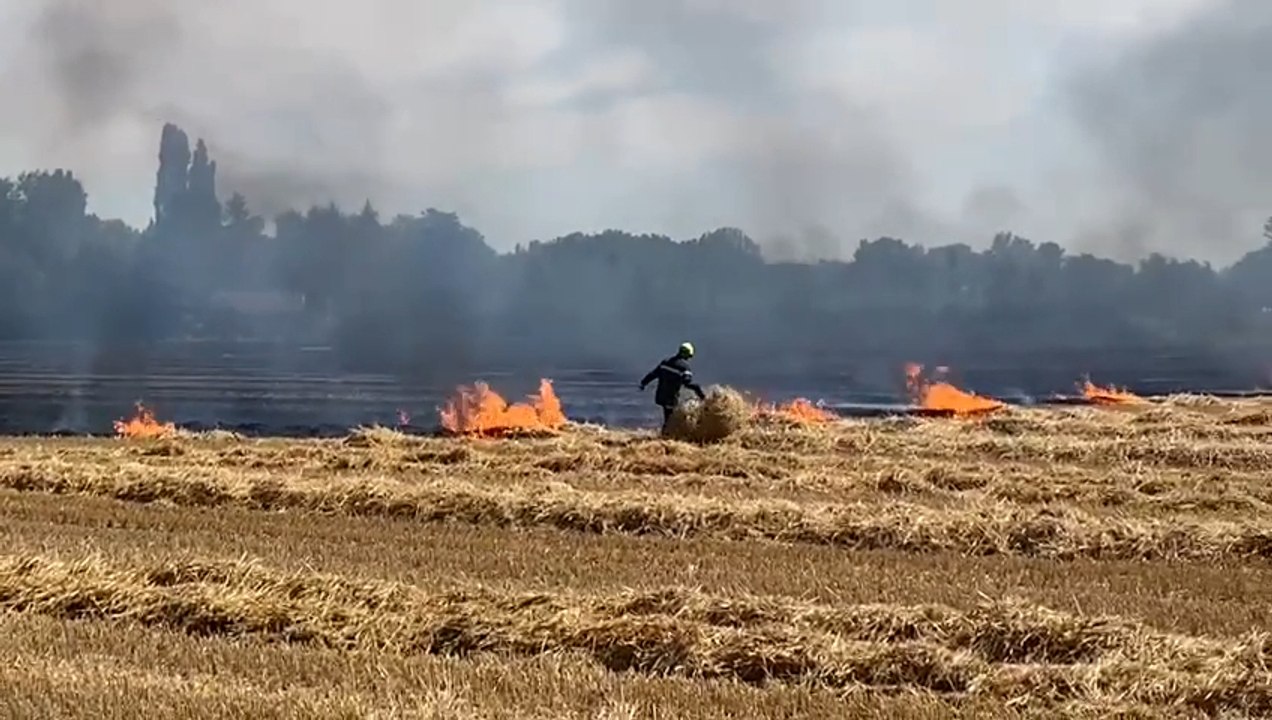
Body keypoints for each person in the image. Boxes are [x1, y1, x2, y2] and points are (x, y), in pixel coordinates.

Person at [639, 342, 706, 430]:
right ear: (688, 355)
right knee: (670, 419)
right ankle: (665, 436)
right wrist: (699, 392)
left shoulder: (665, 362)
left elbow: (653, 374)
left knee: (668, 416)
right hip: (671, 398)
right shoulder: (685, 368)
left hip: (660, 395)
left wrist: (644, 383)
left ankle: (665, 434)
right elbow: (687, 383)